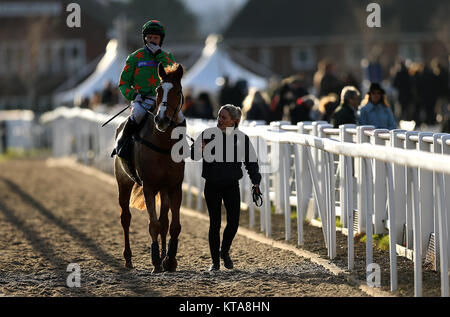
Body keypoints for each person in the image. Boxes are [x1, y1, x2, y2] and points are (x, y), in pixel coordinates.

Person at [191, 104, 262, 271]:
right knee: (214, 224)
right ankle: (215, 262)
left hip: (231, 185)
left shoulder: (241, 138)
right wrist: (199, 150)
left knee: (233, 223)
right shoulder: (207, 134)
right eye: (219, 116)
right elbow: (193, 155)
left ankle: (225, 252)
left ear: (234, 121)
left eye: (224, 118)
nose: (219, 120)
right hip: (212, 185)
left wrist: (256, 182)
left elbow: (251, 163)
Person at [111, 19, 176, 160]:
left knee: (180, 118)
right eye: (150, 37)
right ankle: (122, 144)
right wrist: (133, 96)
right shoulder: (134, 58)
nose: (152, 40)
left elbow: (173, 73)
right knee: (137, 115)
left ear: (161, 40)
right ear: (145, 38)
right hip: (142, 101)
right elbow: (123, 83)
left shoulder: (167, 57)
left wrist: (159, 54)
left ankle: (183, 149)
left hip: (163, 102)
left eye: (156, 38)